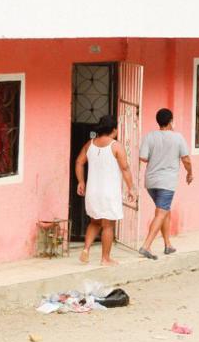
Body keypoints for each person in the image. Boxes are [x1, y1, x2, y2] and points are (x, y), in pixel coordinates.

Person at [76, 115, 135, 266]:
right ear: (114, 129)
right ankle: (105, 258)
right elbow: (125, 168)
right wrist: (131, 188)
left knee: (94, 221)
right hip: (109, 192)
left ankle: (86, 250)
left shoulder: (90, 144)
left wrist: (81, 181)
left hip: (92, 191)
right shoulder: (116, 146)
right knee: (108, 225)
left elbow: (79, 162)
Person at [138, 108, 192, 260]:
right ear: (170, 121)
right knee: (161, 212)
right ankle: (146, 246)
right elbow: (186, 159)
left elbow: (143, 157)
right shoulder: (177, 138)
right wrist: (190, 173)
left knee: (164, 211)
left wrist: (157, 159)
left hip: (150, 182)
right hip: (166, 182)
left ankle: (168, 244)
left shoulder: (150, 136)